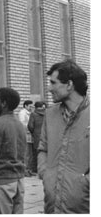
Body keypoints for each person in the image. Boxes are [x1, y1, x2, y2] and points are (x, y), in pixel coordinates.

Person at [38, 60, 89, 213]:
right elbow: (43, 148)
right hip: (52, 207)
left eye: (53, 83)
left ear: (69, 85)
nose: (48, 88)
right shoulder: (50, 114)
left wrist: (85, 183)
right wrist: (45, 174)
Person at [27, 101, 46, 174]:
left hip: (37, 136)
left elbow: (30, 126)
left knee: (35, 153)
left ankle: (36, 169)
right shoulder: (47, 113)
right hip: (45, 135)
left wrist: (33, 133)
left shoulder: (33, 114)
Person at [18, 100, 35, 176]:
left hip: (30, 135)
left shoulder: (31, 113)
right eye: (30, 106)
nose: (31, 107)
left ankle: (29, 170)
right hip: (25, 135)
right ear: (25, 106)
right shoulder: (22, 113)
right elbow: (22, 124)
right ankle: (25, 170)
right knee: (26, 154)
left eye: (32, 106)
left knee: (30, 154)